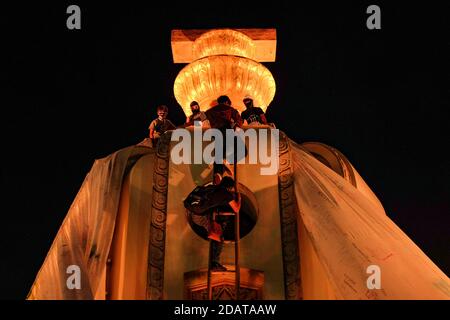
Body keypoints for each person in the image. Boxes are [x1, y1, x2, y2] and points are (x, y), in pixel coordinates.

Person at [184, 176, 241, 271]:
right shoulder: (227, 194)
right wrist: (239, 198)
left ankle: (213, 233)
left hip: (196, 212)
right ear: (230, 188)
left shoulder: (212, 187)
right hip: (200, 217)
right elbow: (236, 209)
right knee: (219, 237)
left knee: (216, 227)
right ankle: (214, 263)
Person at [204, 95, 243, 183]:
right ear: (227, 102)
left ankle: (218, 174)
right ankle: (228, 161)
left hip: (215, 133)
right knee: (242, 150)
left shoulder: (210, 111)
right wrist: (236, 126)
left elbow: (200, 117)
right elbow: (239, 120)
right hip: (227, 131)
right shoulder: (230, 109)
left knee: (219, 152)